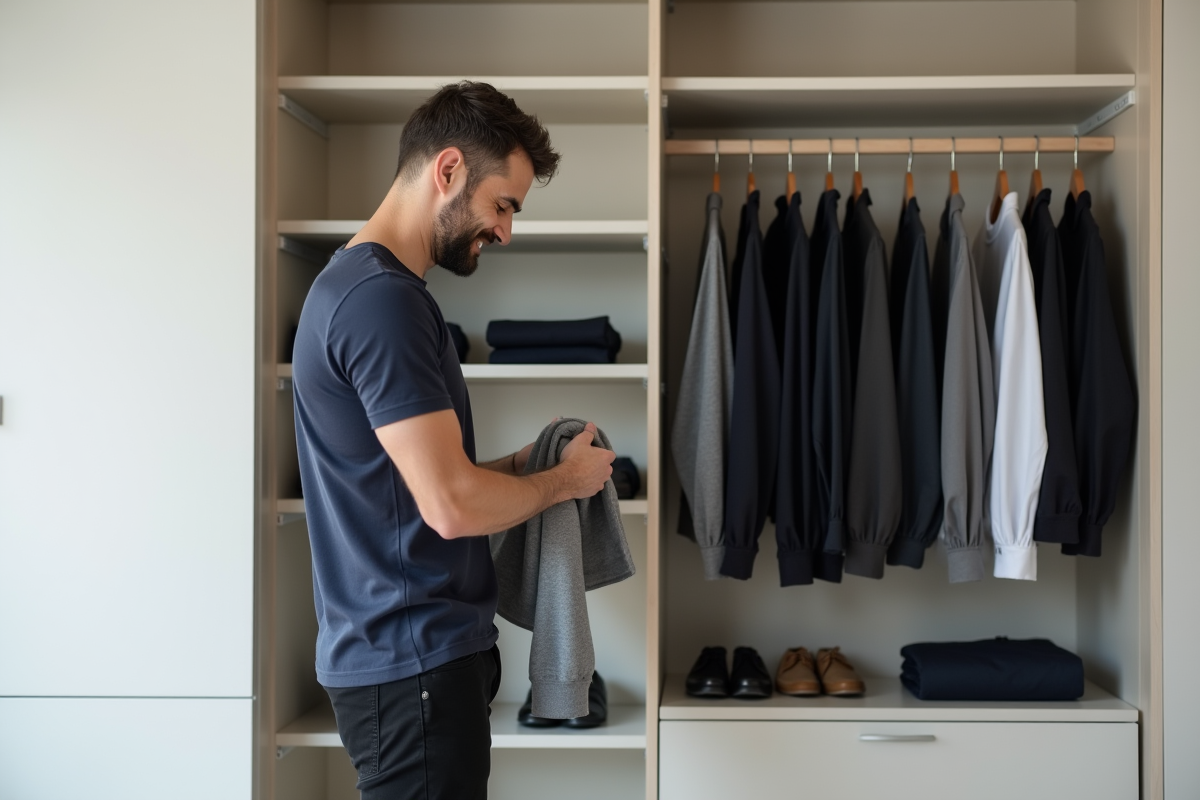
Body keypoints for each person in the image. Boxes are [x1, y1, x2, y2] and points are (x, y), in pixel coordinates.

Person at [291, 81, 615, 800]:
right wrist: (565, 483)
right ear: (448, 170)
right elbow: (451, 506)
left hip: (403, 661)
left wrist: (527, 464)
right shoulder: (382, 303)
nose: (506, 231)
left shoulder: (365, 287)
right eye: (503, 204)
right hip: (413, 665)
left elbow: (413, 488)